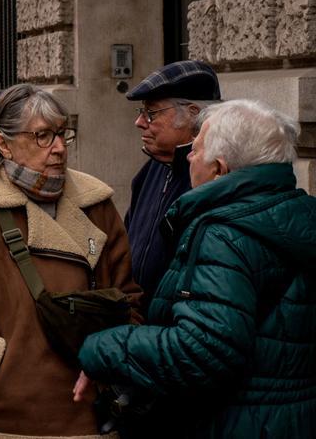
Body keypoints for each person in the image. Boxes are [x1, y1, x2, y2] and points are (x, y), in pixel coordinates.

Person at [77, 100, 316, 436]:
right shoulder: (302, 212)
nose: (187, 156)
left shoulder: (223, 233)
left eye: (195, 149)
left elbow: (204, 351)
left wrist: (102, 348)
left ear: (219, 168)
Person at [0, 84, 141, 439]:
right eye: (42, 136)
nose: (58, 147)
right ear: (4, 144)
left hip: (83, 405)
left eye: (62, 134)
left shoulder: (97, 202)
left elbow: (128, 297)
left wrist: (111, 361)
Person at [125, 60, 220, 304]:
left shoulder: (214, 175)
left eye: (151, 113)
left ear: (194, 114)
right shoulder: (150, 171)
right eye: (141, 112)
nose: (139, 122)